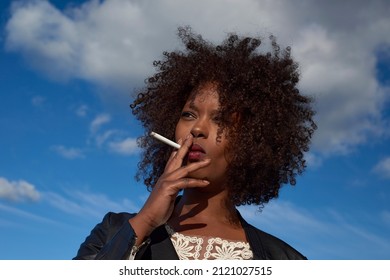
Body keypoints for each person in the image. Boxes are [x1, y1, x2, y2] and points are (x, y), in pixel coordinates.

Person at [74, 26, 316, 260]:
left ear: (253, 139)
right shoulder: (113, 230)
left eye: (220, 118)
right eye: (188, 115)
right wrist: (146, 221)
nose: (197, 129)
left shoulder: (285, 260)